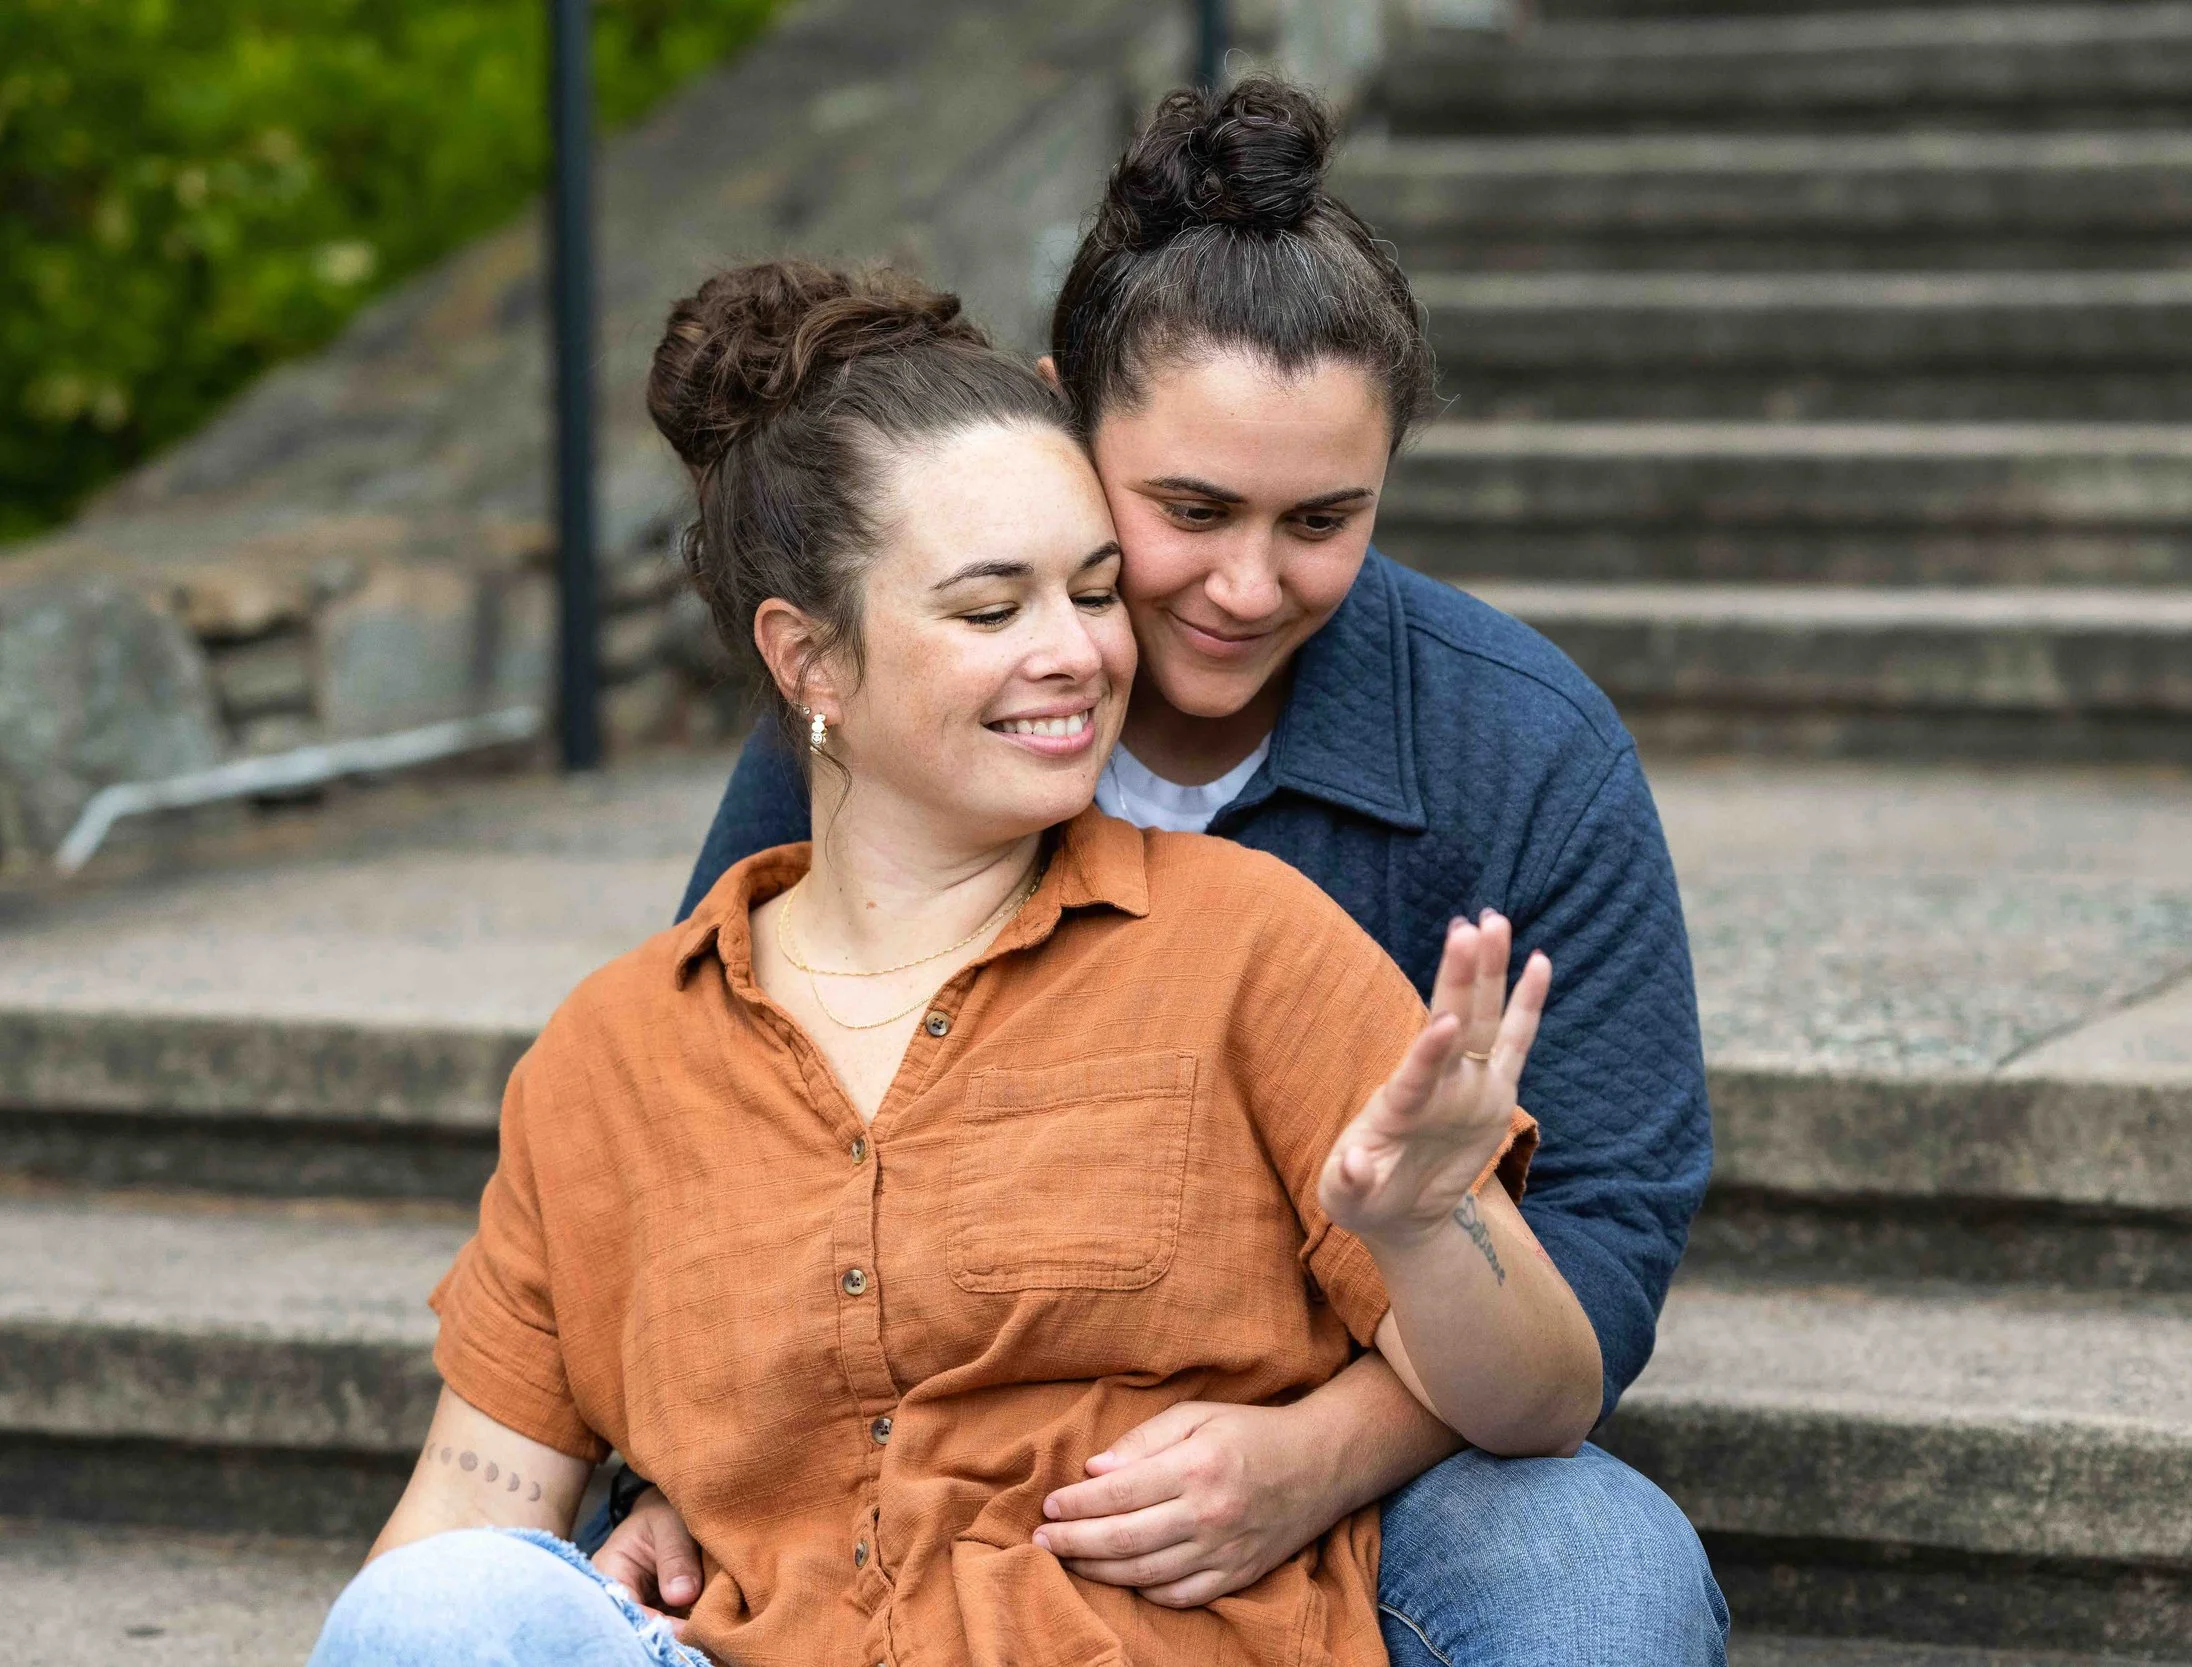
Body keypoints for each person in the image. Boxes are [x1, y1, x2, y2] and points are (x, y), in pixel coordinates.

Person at [308, 260, 1602, 1667]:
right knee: (434, 1611)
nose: (1079, 654)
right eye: (992, 611)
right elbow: (464, 1514)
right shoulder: (610, 1054)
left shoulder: (1252, 942)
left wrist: (1428, 1226)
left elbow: (1539, 1406)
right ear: (810, 659)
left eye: (1094, 592)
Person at [596, 79, 1727, 1667]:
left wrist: (1315, 1453)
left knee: (1602, 1577)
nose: (1247, 586)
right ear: (1061, 420)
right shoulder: (890, 718)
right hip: (936, 1445)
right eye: (1189, 510)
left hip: (1390, 1435)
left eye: (1323, 519)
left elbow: (1605, 1232)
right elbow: (706, 1127)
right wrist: (672, 1466)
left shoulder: (1523, 752)